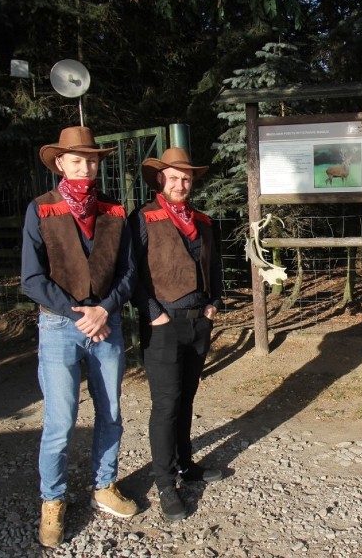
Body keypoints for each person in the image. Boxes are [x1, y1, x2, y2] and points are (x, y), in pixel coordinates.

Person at [21, 126, 138, 548]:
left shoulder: (114, 210)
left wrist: (103, 310)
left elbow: (128, 273)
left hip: (106, 323)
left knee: (110, 412)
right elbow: (31, 278)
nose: (86, 167)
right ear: (60, 164)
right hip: (59, 327)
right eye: (77, 160)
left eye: (91, 160)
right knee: (59, 420)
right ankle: (52, 501)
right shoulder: (41, 209)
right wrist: (80, 314)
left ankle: (104, 485)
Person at [130, 147, 225, 522]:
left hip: (198, 321)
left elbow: (214, 264)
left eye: (186, 178)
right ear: (161, 180)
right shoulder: (144, 218)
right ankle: (166, 483)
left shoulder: (203, 220)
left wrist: (213, 301)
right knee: (166, 405)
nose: (180, 183)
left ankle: (185, 465)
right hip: (163, 323)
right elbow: (132, 273)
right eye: (174, 177)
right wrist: (153, 314)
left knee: (186, 398)